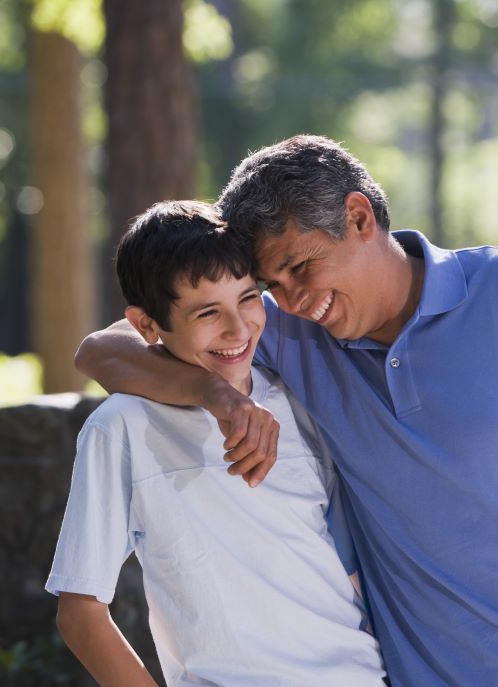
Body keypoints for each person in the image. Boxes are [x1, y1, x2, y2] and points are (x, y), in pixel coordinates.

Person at [76, 136, 498, 686]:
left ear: (361, 217)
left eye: (302, 268)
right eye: (271, 285)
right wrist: (214, 395)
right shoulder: (294, 334)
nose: (293, 299)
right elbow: (105, 346)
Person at [47, 200, 387, 687]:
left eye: (248, 299)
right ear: (146, 325)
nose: (238, 329)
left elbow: (344, 569)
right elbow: (80, 612)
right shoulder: (121, 427)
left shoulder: (297, 403)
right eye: (208, 312)